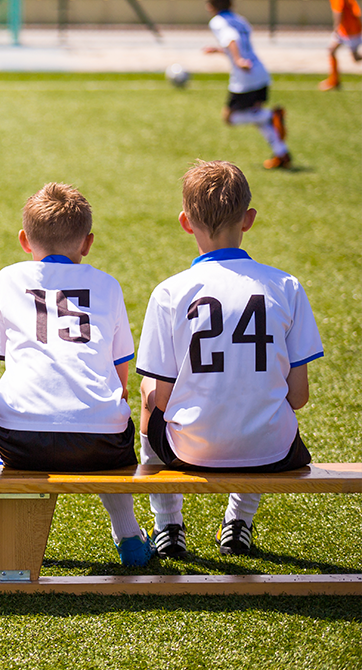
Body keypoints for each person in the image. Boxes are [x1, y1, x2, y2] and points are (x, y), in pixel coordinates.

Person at [136, 160, 323, 558]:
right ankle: (238, 522)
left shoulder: (170, 292)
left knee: (147, 389)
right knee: (261, 395)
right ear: (249, 219)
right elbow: (299, 396)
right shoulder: (286, 285)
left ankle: (168, 524)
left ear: (186, 223)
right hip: (273, 451)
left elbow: (162, 398)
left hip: (191, 449)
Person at [0, 183, 154, 567]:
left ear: (24, 240)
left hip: (21, 437)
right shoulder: (107, 284)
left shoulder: (8, 278)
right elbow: (120, 374)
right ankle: (129, 536)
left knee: (14, 413)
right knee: (110, 432)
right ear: (88, 242)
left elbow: (8, 357)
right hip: (100, 441)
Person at [202, 0, 291, 169]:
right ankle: (282, 154)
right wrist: (219, 51)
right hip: (259, 71)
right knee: (256, 116)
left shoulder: (217, 22)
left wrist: (237, 60)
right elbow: (241, 43)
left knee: (229, 118)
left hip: (245, 76)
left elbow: (232, 39)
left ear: (211, 5)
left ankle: (270, 116)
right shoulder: (240, 19)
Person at [319, 0, 362, 90]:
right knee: (332, 51)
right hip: (345, 29)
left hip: (350, 30)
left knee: (355, 58)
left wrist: (336, 28)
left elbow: (339, 12)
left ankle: (335, 81)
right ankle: (334, 81)